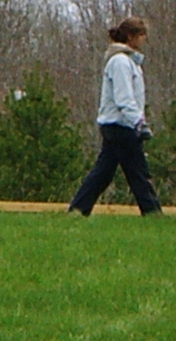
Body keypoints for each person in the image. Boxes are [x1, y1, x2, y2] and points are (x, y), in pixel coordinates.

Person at [68, 16, 163, 216]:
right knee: (138, 173)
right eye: (141, 35)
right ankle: (153, 213)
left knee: (104, 173)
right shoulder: (120, 62)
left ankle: (78, 210)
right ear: (130, 37)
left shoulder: (130, 62)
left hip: (119, 125)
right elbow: (124, 98)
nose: (144, 39)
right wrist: (139, 122)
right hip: (120, 126)